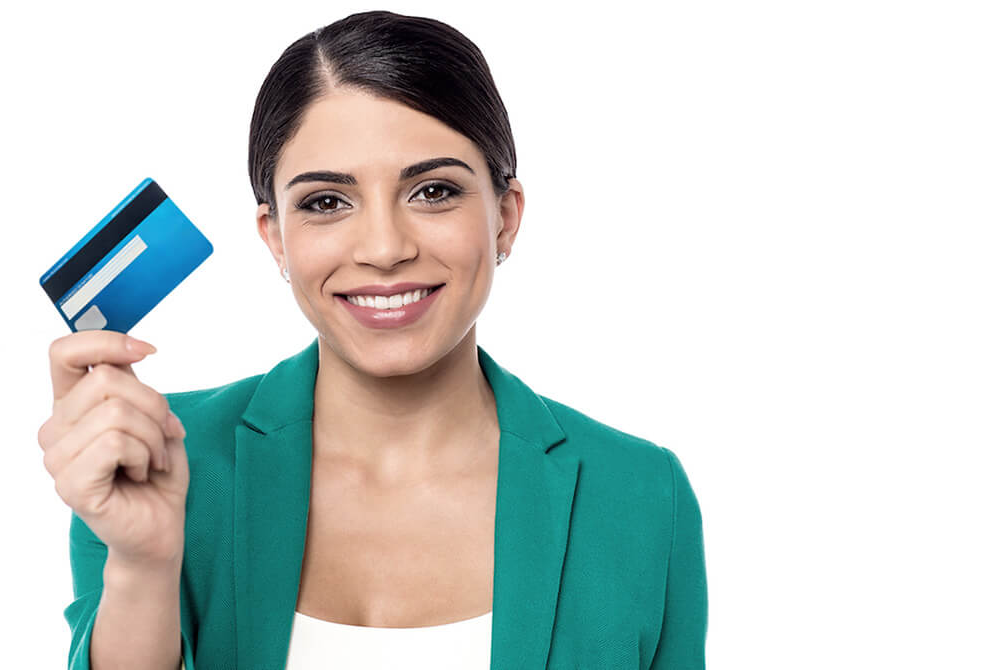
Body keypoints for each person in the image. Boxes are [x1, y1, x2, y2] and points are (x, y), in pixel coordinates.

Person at [38, 10, 707, 670]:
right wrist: (143, 566)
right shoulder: (154, 458)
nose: (384, 249)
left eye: (434, 190)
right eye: (326, 202)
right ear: (275, 237)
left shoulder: (641, 494)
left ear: (505, 219)